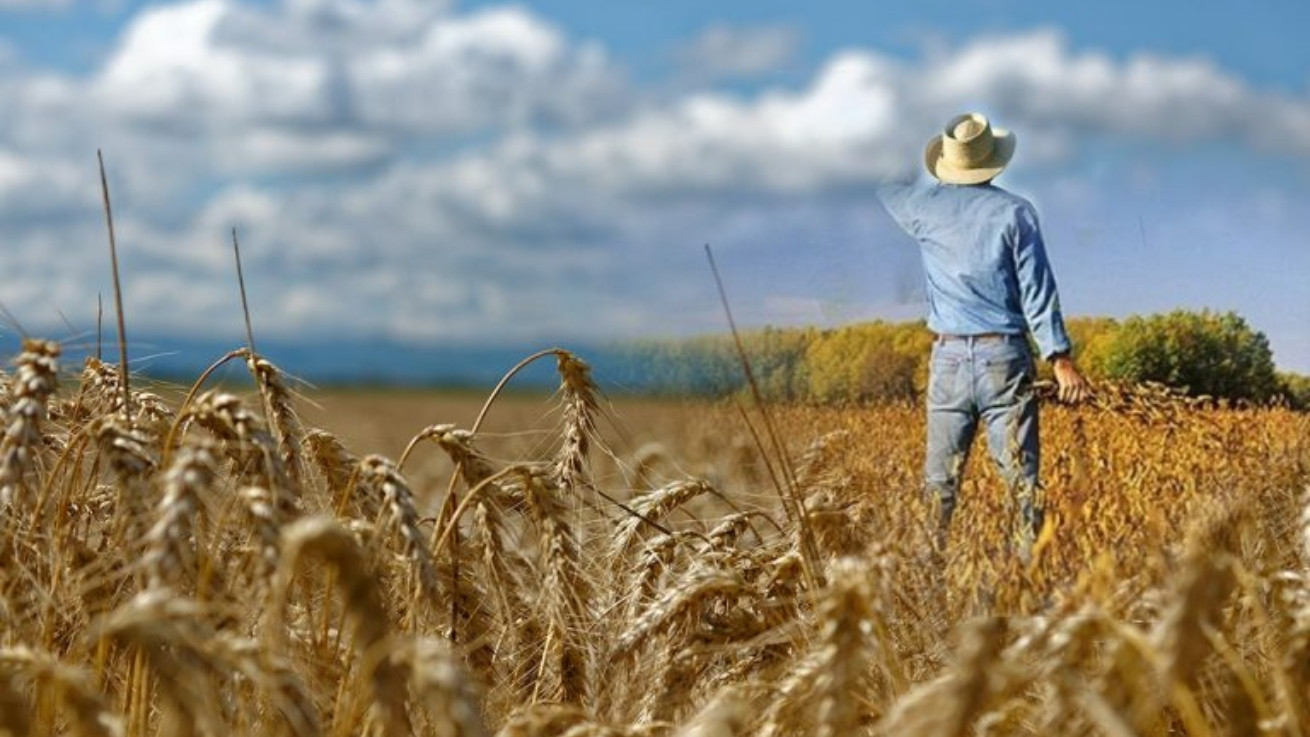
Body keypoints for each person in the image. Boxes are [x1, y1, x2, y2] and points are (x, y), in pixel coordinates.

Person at [878, 112, 1090, 557]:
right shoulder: (1016, 213)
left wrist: (901, 145)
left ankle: (925, 595)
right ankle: (1025, 594)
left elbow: (887, 186)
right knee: (1021, 486)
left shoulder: (923, 209)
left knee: (938, 487)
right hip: (1004, 359)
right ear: (991, 161)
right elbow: (1038, 289)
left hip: (948, 361)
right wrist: (1060, 359)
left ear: (948, 161)